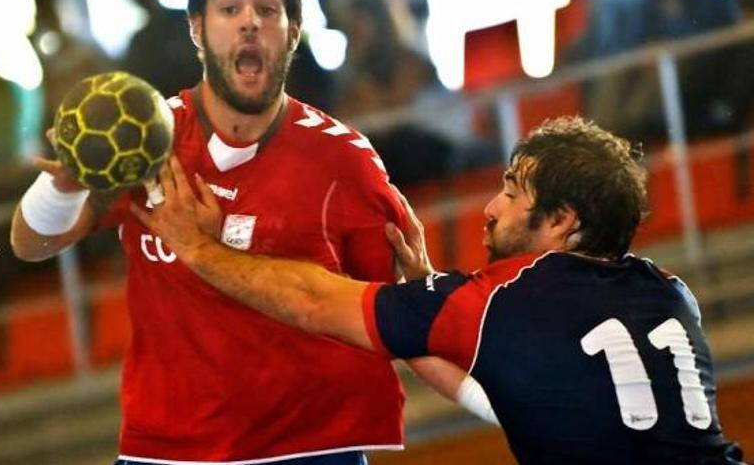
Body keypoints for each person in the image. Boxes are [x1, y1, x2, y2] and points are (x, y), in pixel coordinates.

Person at [11, 0, 483, 463]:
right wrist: (62, 184)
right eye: (230, 7)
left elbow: (397, 317)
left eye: (268, 8)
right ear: (197, 28)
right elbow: (31, 244)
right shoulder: (146, 140)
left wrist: (505, 401)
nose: (250, 23)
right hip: (167, 451)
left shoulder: (345, 163)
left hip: (311, 449)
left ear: (294, 30)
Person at [136, 116, 746, 464]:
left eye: (512, 192)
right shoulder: (669, 292)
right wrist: (427, 301)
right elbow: (507, 399)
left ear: (562, 220)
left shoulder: (506, 295)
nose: (490, 207)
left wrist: (199, 250)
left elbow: (314, 300)